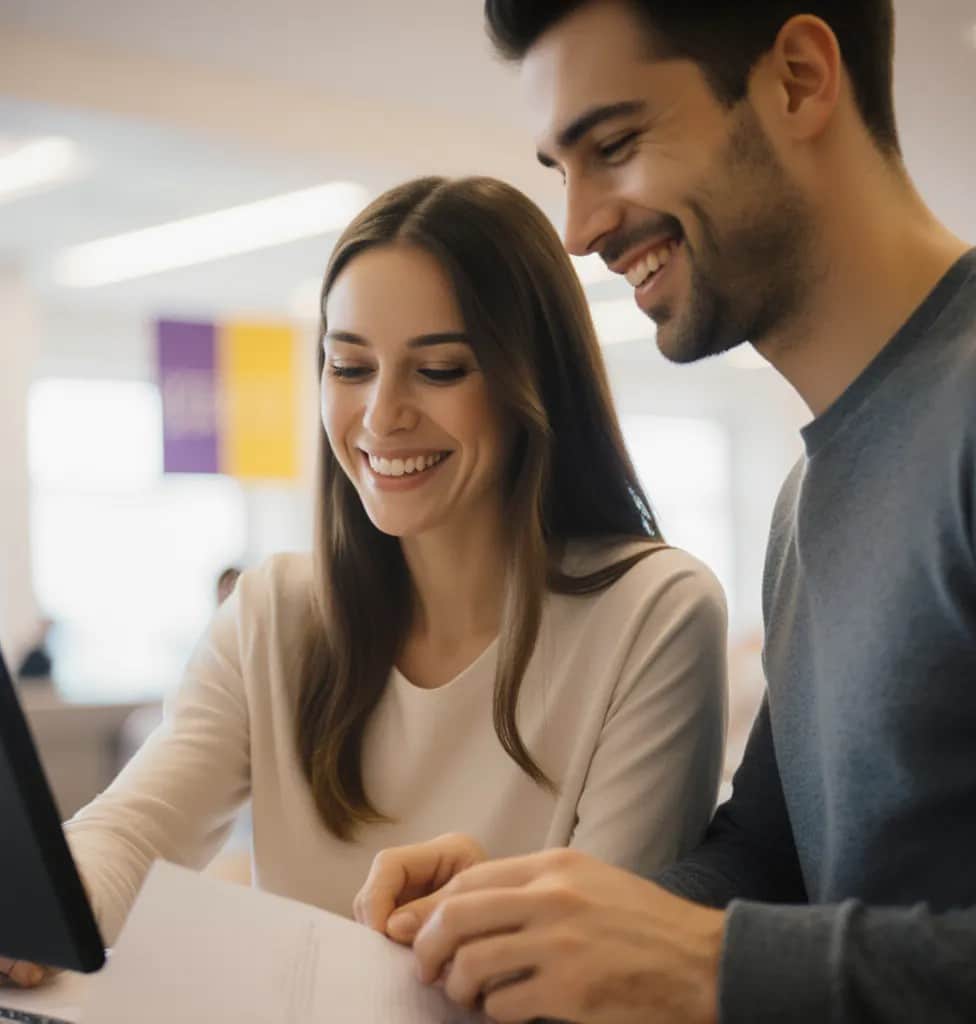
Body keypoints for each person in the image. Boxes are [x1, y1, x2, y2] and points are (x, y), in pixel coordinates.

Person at [352, 2, 976, 1021]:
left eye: (613, 145)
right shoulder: (809, 499)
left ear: (797, 78)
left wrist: (715, 962)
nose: (577, 229)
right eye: (560, 171)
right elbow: (768, 855)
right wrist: (538, 915)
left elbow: (738, 941)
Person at [0, 175, 728, 989]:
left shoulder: (655, 615)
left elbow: (600, 973)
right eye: (349, 366)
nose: (382, 416)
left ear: (533, 381)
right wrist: (38, 919)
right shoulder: (275, 614)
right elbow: (128, 834)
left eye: (441, 369)